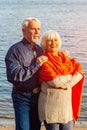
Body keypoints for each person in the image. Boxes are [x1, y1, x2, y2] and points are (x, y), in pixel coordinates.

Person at [5, 18, 48, 130]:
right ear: (24, 31)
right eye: (33, 29)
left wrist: (64, 56)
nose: (37, 32)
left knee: (35, 128)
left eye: (38, 29)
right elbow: (15, 76)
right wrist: (36, 65)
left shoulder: (40, 50)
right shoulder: (14, 50)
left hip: (39, 97)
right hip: (22, 97)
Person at [38, 30, 84, 130]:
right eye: (49, 40)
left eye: (55, 40)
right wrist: (71, 76)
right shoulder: (44, 60)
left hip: (66, 108)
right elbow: (55, 82)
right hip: (51, 108)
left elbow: (80, 74)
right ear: (44, 43)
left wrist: (67, 85)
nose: (53, 43)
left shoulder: (65, 58)